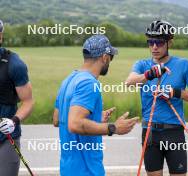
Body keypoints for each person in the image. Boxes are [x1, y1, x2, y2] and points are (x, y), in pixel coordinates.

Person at [125, 20, 188, 176]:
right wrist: (150, 74)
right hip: (150, 132)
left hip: (174, 132)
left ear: (169, 42)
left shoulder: (183, 65)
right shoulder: (142, 65)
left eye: (159, 42)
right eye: (150, 42)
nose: (154, 47)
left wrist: (175, 93)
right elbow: (129, 82)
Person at [53, 34, 139, 176]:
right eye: (111, 57)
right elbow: (74, 124)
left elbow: (57, 119)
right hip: (86, 170)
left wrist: (95, 119)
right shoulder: (89, 83)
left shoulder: (69, 80)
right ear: (104, 57)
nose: (110, 61)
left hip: (68, 169)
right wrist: (114, 128)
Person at [0, 19, 34, 176]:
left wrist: (14, 121)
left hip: (6, 137)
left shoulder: (14, 64)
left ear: (1, 37)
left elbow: (28, 101)